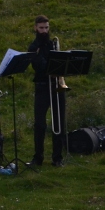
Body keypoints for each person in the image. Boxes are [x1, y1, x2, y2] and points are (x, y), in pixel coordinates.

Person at [28, 15, 66, 167]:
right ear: (35, 28)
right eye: (41, 28)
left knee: (59, 123)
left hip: (56, 86)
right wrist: (51, 68)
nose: (44, 31)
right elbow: (39, 66)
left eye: (46, 28)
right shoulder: (33, 47)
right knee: (39, 124)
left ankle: (57, 158)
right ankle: (38, 157)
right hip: (42, 87)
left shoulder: (53, 44)